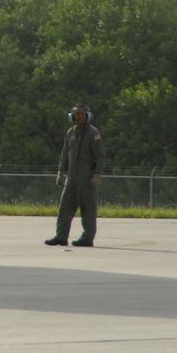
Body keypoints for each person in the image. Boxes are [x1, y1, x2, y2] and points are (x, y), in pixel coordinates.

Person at [45, 104, 106, 247]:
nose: (78, 117)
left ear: (87, 116)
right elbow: (64, 154)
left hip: (86, 180)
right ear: (72, 116)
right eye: (76, 114)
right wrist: (61, 171)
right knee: (64, 208)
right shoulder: (70, 133)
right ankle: (61, 236)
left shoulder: (93, 133)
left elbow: (101, 156)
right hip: (71, 179)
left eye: (81, 114)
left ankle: (87, 238)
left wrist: (97, 174)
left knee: (88, 210)